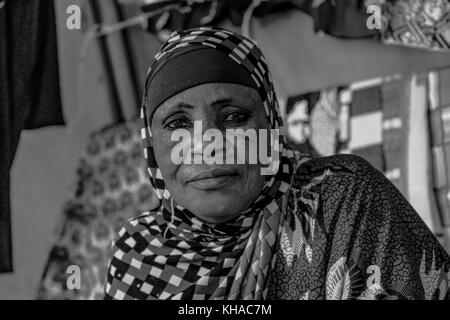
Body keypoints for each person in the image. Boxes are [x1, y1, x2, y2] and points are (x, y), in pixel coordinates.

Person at [104, 26, 450, 300]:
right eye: (178, 124)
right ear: (151, 147)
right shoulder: (137, 259)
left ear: (270, 126)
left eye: (234, 116)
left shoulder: (343, 200)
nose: (207, 145)